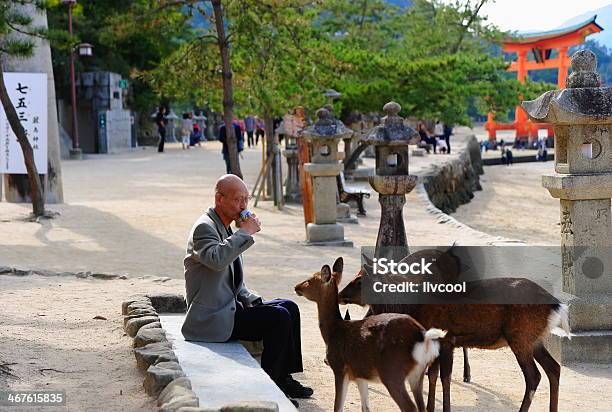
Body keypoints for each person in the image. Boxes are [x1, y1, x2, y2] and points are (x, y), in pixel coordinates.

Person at [181, 175, 313, 406]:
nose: (243, 206)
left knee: (289, 307)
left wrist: (254, 300)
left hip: (230, 309)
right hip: (212, 317)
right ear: (219, 199)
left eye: (246, 199)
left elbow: (233, 282)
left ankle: (284, 378)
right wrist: (245, 233)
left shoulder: (226, 227)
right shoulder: (205, 227)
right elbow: (216, 260)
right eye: (237, 200)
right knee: (278, 318)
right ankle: (271, 388)